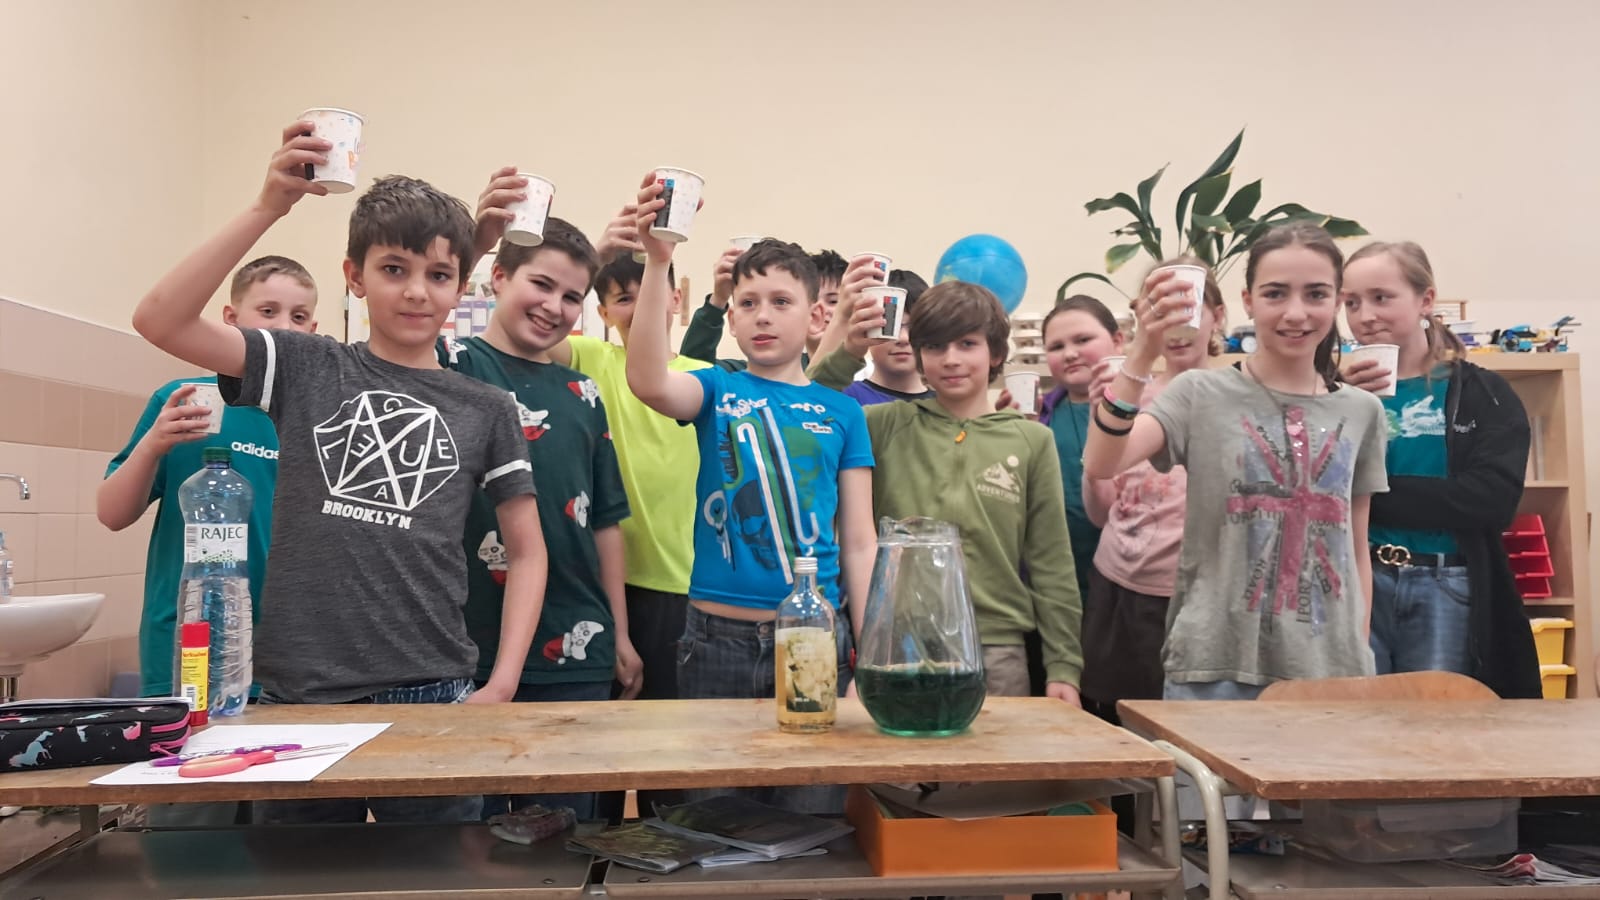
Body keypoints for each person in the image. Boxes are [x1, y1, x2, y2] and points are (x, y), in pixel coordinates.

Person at [130, 121, 545, 824]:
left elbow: (528, 551)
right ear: (353, 276)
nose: (417, 293)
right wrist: (269, 206)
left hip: (434, 687)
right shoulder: (306, 365)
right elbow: (159, 320)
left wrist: (501, 682)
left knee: (442, 871)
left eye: (439, 275)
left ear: (461, 285)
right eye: (394, 270)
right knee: (300, 872)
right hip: (300, 692)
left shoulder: (488, 406)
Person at [625, 174, 874, 813]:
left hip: (814, 640)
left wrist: (870, 654)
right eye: (748, 302)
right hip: (715, 639)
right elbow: (648, 379)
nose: (763, 314)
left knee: (813, 812)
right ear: (730, 319)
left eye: (781, 301)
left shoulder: (843, 413)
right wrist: (658, 260)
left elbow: (860, 541)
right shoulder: (717, 389)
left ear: (816, 316)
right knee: (714, 816)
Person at [1082, 224, 1388, 699]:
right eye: (1275, 293)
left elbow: (1354, 547)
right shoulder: (1199, 393)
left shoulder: (1362, 411)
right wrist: (1141, 352)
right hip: (1214, 665)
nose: (1295, 313)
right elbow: (1104, 461)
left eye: (1315, 294)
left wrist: (1357, 650)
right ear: (1247, 301)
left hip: (1328, 671)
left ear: (1337, 301)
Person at [98, 254, 319, 828]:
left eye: (299, 317)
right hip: (186, 656)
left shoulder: (318, 418)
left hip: (289, 663)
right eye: (267, 311)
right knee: (187, 836)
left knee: (285, 845)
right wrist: (153, 445)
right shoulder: (188, 400)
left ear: (315, 331)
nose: (283, 327)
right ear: (230, 319)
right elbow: (111, 513)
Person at [441, 215, 637, 821]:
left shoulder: (585, 394)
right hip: (464, 646)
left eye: (572, 296)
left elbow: (605, 522)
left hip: (575, 647)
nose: (554, 306)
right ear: (498, 277)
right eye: (541, 284)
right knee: (461, 842)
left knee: (562, 839)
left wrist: (619, 633)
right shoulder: (450, 367)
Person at [811, 271, 1082, 704]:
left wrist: (1064, 665)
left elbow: (1051, 561)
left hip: (996, 648)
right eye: (935, 347)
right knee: (894, 752)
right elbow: (805, 407)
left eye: (967, 344)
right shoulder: (882, 425)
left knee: (994, 751)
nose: (951, 359)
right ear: (920, 356)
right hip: (899, 645)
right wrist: (849, 350)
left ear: (996, 353)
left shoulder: (1032, 440)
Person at [1341, 240, 1539, 697]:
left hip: (1445, 582)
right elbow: (1313, 491)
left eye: (1381, 297)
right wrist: (1337, 408)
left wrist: (1367, 494)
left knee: (1435, 722)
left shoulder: (1483, 394)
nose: (1365, 315)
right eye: (1351, 303)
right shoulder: (1335, 395)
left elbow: (1489, 501)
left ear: (1426, 300)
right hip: (1356, 581)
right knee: (1355, 722)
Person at [1079, 258, 1223, 723]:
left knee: (1194, 727)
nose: (1177, 328)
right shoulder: (1126, 398)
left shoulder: (1237, 394)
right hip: (1122, 589)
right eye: (1162, 312)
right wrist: (1100, 424)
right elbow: (1101, 511)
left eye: (1189, 309)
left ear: (1218, 316)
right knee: (1117, 728)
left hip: (1201, 594)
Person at [841, 269, 933, 406]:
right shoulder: (845, 397)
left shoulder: (947, 405)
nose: (904, 338)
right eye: (890, 326)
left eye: (914, 327)